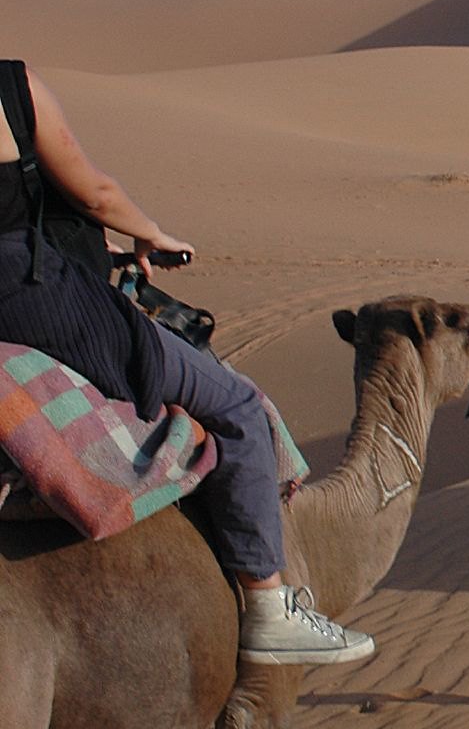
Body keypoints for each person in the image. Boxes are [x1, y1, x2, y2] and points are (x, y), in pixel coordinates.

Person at [0, 64, 373, 663]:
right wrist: (150, 234)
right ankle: (268, 608)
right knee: (236, 405)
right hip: (30, 300)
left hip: (30, 272)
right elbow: (96, 194)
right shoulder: (13, 89)